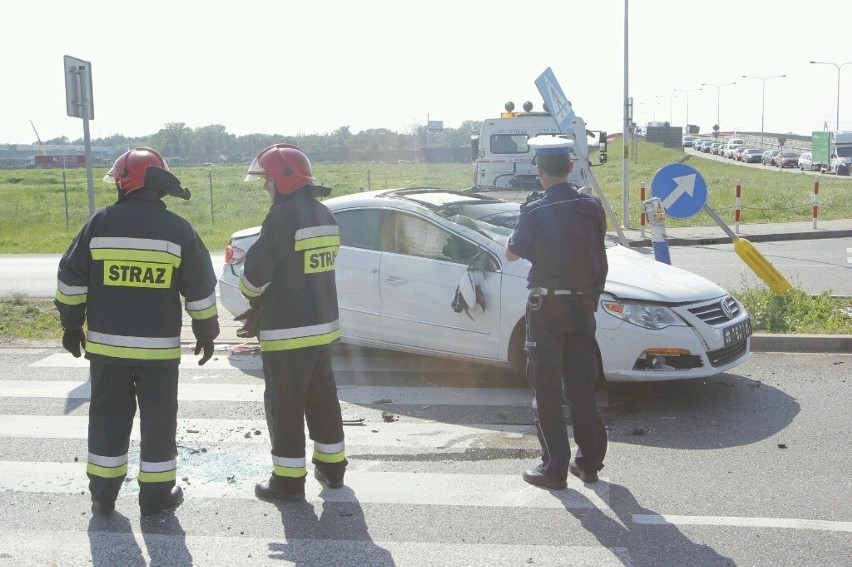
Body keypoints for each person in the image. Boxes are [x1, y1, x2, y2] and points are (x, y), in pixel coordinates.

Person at [55, 147, 219, 516]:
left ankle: (103, 495)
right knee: (160, 421)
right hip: (158, 354)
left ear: (125, 182)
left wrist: (70, 325)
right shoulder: (179, 230)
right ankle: (156, 497)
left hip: (108, 351)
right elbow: (201, 289)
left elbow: (70, 278)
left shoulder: (99, 223)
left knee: (108, 417)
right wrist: (206, 332)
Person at [239, 144, 347, 502]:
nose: (266, 189)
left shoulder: (283, 217)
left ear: (283, 181)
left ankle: (287, 482)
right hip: (322, 329)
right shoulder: (324, 215)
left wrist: (255, 302)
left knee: (285, 406)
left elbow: (255, 276)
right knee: (323, 400)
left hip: (287, 332)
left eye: (267, 181)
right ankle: (332, 470)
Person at [505, 136, 608, 489]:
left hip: (546, 307)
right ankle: (589, 463)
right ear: (569, 168)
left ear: (540, 172)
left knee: (546, 387)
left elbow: (512, 253)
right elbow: (598, 255)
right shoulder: (592, 208)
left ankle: (554, 469)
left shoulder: (534, 211)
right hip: (581, 305)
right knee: (581, 384)